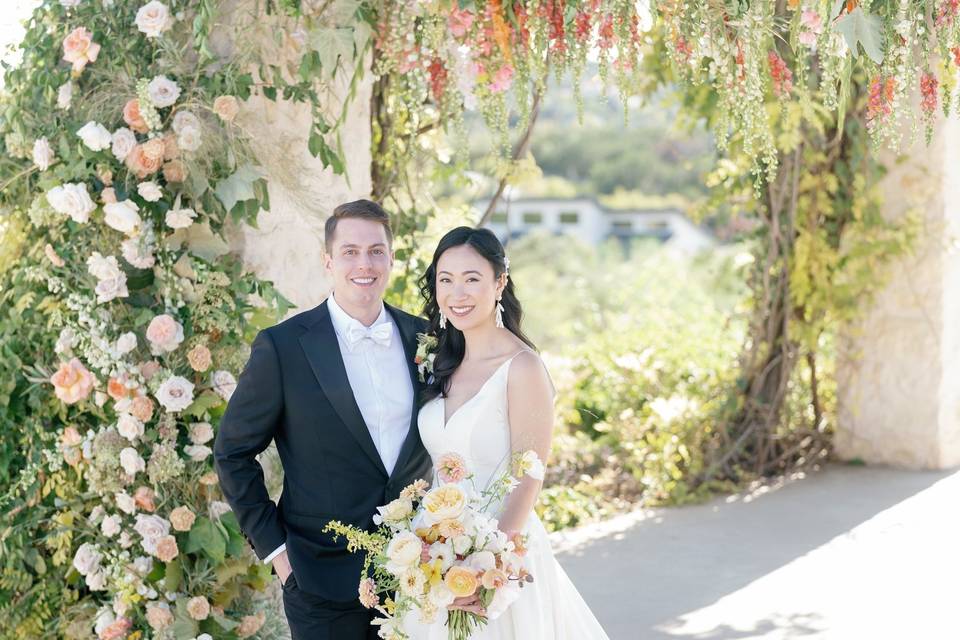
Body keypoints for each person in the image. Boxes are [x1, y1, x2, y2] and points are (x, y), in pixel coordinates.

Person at [213, 199, 431, 640]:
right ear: (328, 260)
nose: (364, 263)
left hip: (419, 573)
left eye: (375, 251)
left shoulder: (425, 338)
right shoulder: (284, 347)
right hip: (320, 579)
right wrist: (277, 551)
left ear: (391, 257)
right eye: (350, 251)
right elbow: (232, 452)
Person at [404, 226, 610, 639]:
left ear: (499, 283)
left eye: (472, 279)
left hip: (500, 549)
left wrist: (488, 561)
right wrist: (431, 550)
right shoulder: (439, 364)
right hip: (437, 551)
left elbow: (529, 475)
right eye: (446, 280)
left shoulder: (523, 367)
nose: (457, 293)